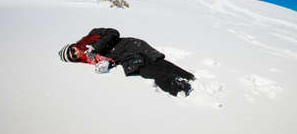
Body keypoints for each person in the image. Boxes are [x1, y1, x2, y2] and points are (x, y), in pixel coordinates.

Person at [59, 28, 195, 96]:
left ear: (74, 45)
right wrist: (106, 64)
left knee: (157, 61)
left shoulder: (91, 36)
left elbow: (113, 33)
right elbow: (110, 59)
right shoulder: (88, 60)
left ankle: (189, 79)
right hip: (126, 58)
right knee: (147, 71)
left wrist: (95, 47)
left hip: (131, 45)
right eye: (73, 57)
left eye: (72, 50)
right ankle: (181, 88)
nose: (75, 53)